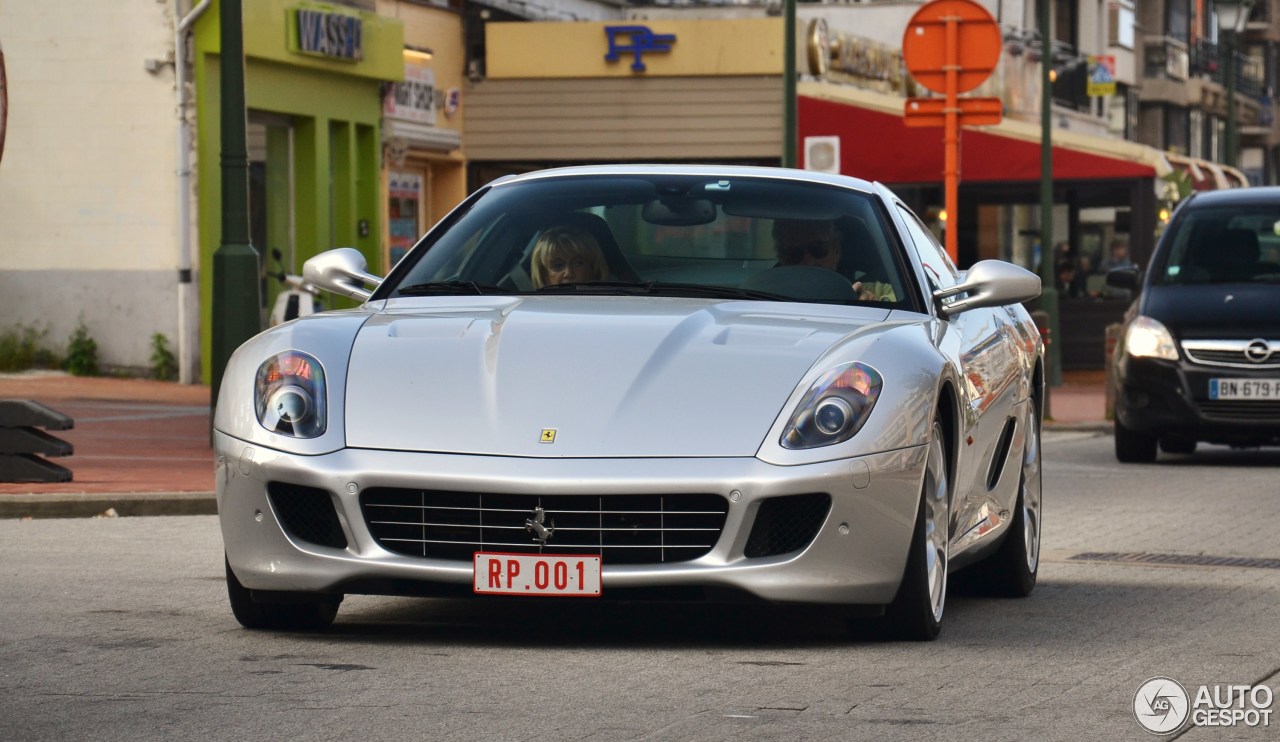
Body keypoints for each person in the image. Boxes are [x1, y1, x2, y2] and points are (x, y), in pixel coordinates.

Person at [771, 219, 896, 301]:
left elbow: (907, 306)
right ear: (784, 260)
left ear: (836, 251)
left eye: (817, 249)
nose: (808, 262)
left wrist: (875, 303)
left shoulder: (870, 292)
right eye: (794, 253)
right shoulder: (763, 296)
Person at [529, 225, 609, 289]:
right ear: (544, 275)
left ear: (593, 266)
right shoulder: (531, 308)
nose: (569, 273)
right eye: (558, 265)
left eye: (578, 263)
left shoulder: (614, 304)